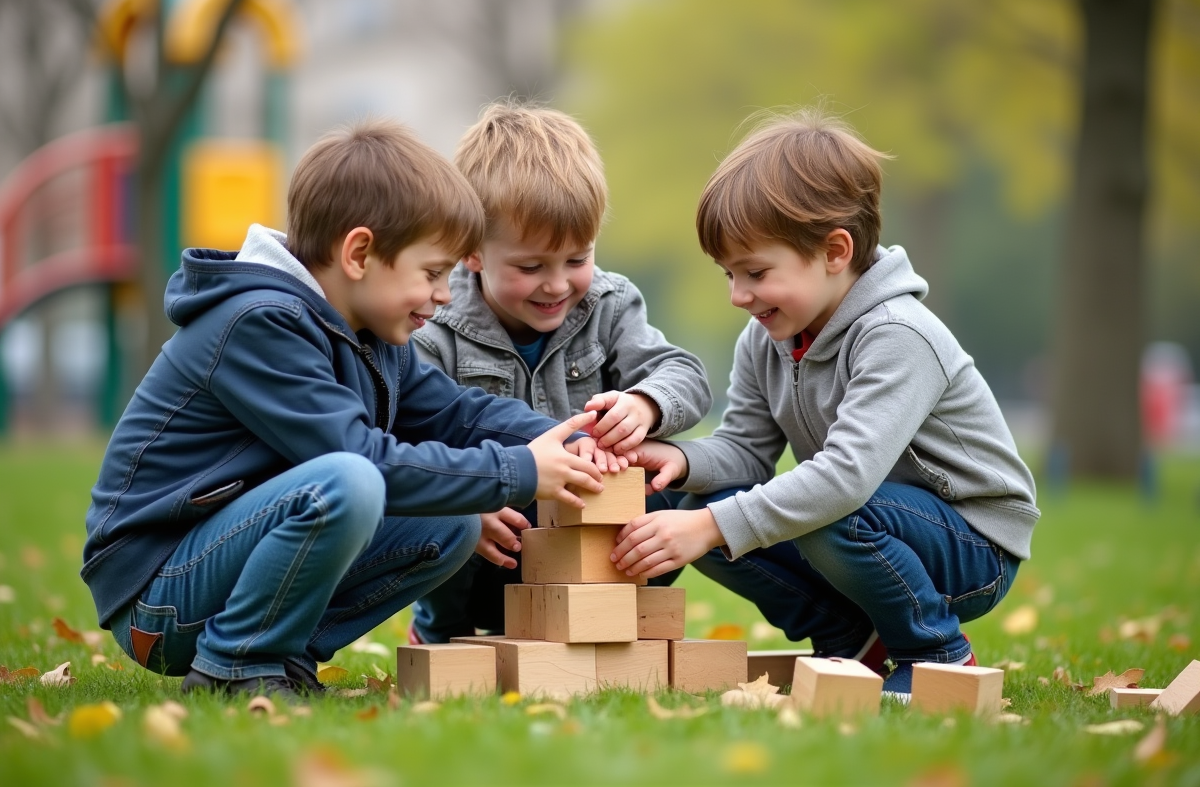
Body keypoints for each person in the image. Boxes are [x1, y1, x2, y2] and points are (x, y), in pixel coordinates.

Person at [81, 119, 611, 699]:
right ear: (360, 253)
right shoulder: (258, 323)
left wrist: (568, 435)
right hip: (158, 597)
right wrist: (519, 472)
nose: (443, 293)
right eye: (433, 272)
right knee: (349, 480)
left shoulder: (367, 332)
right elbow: (360, 458)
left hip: (218, 568)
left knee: (451, 523)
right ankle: (234, 667)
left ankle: (284, 662)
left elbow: (456, 413)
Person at [614, 108, 1040, 697]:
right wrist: (681, 464)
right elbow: (745, 451)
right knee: (698, 503)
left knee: (805, 513)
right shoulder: (766, 338)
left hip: (970, 546)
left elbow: (845, 479)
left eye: (756, 272)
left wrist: (710, 526)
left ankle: (935, 653)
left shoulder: (898, 334)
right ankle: (849, 639)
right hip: (870, 518)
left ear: (835, 250)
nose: (740, 296)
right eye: (728, 275)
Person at [409, 102, 712, 643]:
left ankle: (614, 623)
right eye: (530, 267)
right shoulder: (435, 326)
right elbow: (408, 438)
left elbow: (684, 374)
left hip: (588, 526)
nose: (556, 286)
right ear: (473, 252)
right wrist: (468, 506)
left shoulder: (610, 304)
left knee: (683, 491)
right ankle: (443, 633)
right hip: (497, 536)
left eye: (576, 259)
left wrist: (643, 405)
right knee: (443, 518)